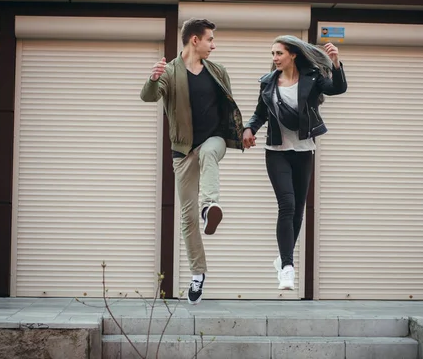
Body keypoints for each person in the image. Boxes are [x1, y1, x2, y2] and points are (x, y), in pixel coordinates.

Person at [141, 18, 244, 304]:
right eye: (210, 39)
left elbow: (229, 107)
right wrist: (152, 78)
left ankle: (209, 205)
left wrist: (243, 131)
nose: (214, 44)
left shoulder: (217, 71)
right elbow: (148, 97)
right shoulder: (171, 72)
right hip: (183, 151)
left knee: (210, 152)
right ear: (194, 40)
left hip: (214, 140)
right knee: (187, 220)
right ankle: (198, 275)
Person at [242, 36, 347, 290]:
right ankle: (288, 268)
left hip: (303, 150)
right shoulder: (268, 83)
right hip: (276, 150)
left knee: (299, 209)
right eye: (273, 53)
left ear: (293, 55)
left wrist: (335, 62)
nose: (275, 58)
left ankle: (282, 257)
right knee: (287, 205)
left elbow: (338, 88)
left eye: (279, 53)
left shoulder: (311, 77)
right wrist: (249, 128)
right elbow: (260, 112)